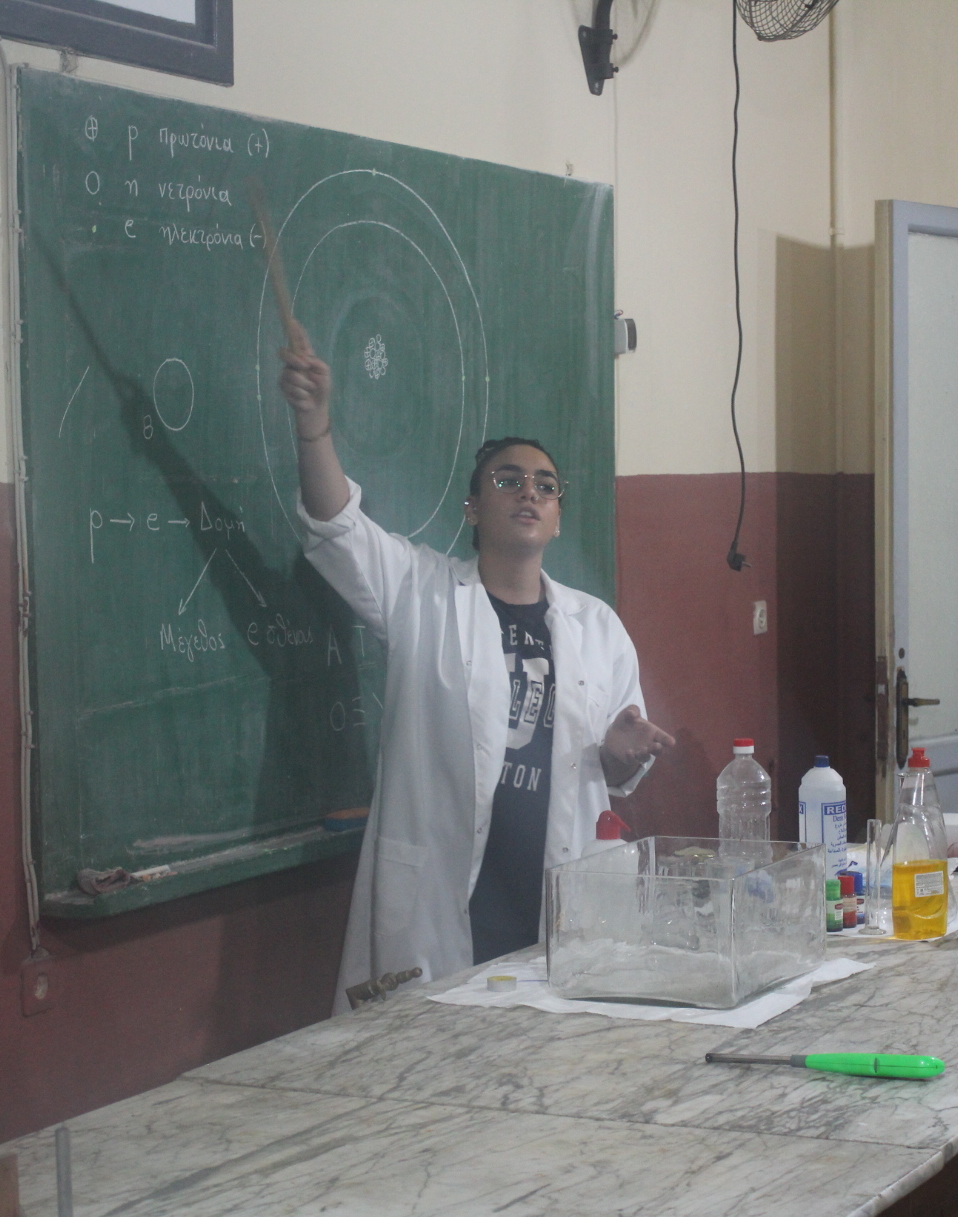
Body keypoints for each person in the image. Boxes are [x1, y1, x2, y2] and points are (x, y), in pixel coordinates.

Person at [278, 324, 676, 1012]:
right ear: (473, 508)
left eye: (546, 486)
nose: (529, 493)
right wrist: (314, 427)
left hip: (554, 897)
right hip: (444, 901)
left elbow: (616, 772)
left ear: (557, 518)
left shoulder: (597, 628)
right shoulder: (420, 592)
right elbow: (336, 527)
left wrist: (620, 754)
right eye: (508, 480)